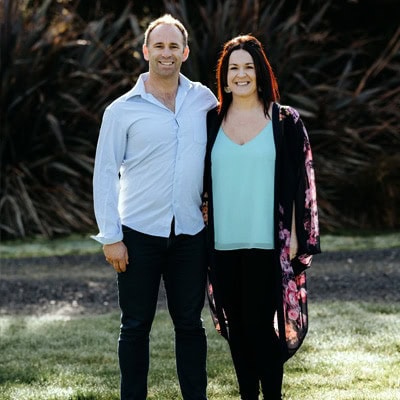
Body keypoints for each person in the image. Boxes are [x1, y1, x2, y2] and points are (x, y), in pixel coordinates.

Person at [91, 14, 217, 400]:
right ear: (146, 51)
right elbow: (104, 174)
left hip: (190, 234)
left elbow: (220, 157)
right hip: (137, 235)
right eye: (159, 46)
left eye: (173, 46)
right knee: (134, 327)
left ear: (185, 52)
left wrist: (214, 200)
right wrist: (111, 237)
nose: (167, 53)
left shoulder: (205, 100)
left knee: (190, 326)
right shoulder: (121, 110)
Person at [203, 35, 321, 400]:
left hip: (268, 242)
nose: (241, 74)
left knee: (258, 327)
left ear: (261, 72)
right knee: (237, 330)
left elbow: (304, 180)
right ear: (224, 77)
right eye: (233, 68)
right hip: (222, 244)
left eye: (248, 67)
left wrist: (299, 235)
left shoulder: (284, 121)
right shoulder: (210, 121)